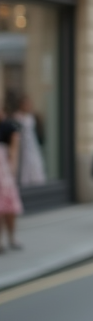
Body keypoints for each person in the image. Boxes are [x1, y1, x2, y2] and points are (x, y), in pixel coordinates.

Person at [0, 99, 23, 252]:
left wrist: (12, 172)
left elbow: (14, 151)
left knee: (9, 207)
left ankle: (11, 238)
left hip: (4, 171)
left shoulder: (10, 126)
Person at [14, 95, 46, 187]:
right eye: (26, 104)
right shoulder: (17, 117)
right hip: (22, 147)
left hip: (33, 146)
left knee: (35, 165)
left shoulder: (33, 117)